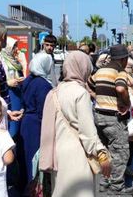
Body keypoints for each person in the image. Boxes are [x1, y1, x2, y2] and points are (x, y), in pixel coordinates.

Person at [39, 51, 111, 197]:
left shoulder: (55, 91)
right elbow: (87, 132)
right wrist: (102, 154)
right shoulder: (81, 93)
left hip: (58, 154)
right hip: (77, 154)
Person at [88, 44, 132, 193]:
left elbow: (89, 85)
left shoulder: (100, 71)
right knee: (120, 153)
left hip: (98, 116)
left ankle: (104, 181)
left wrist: (97, 97)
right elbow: (120, 88)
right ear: (124, 59)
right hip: (113, 118)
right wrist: (126, 103)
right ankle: (116, 189)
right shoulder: (120, 71)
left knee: (104, 151)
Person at [18, 52, 53, 191]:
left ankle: (25, 188)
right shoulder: (43, 85)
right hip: (36, 125)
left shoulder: (28, 80)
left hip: (26, 121)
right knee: (34, 160)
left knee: (25, 159)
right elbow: (43, 109)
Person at [0, 37, 25, 137]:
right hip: (9, 96)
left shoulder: (14, 61)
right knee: (12, 128)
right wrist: (8, 82)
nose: (16, 50)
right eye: (14, 47)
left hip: (17, 95)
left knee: (17, 124)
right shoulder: (1, 61)